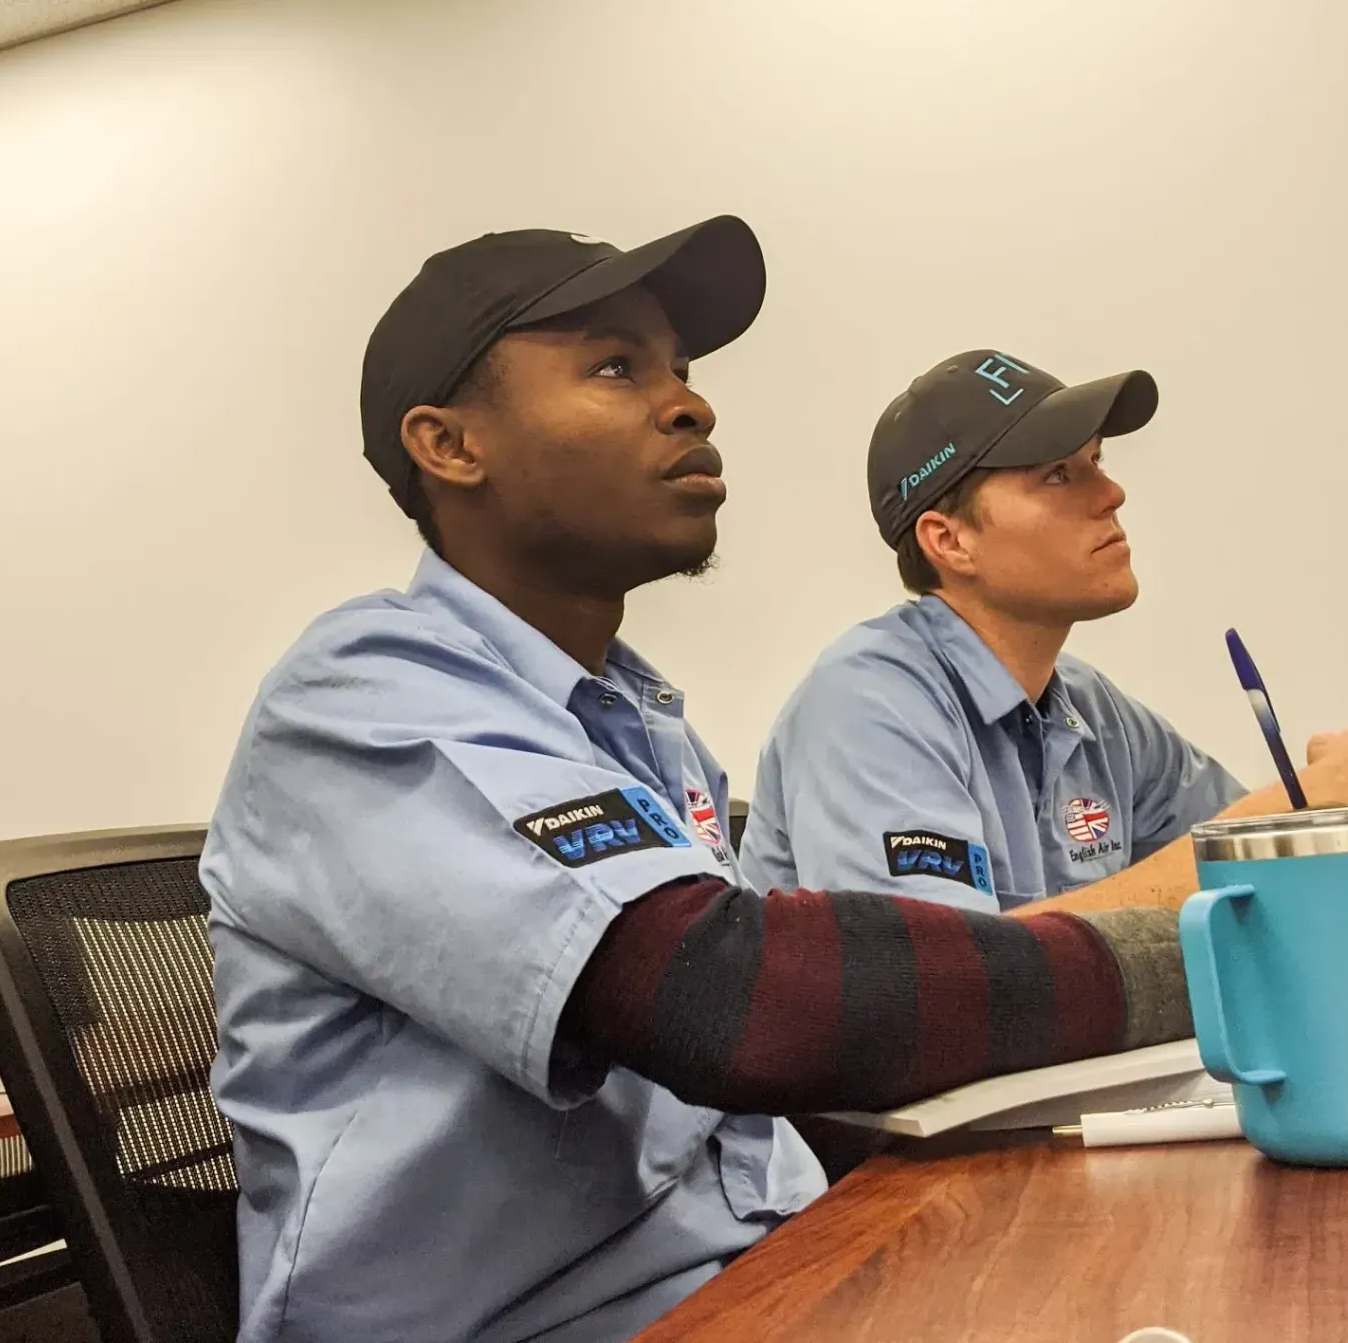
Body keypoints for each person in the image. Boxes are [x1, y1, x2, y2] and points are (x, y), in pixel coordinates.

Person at [202, 222, 1204, 1343]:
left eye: (682, 369)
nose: (692, 404)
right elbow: (731, 998)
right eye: (616, 365)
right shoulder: (362, 693)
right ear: (449, 443)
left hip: (770, 1267)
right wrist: (1210, 964)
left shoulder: (643, 720)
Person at [738, 350, 1348, 912]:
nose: (1113, 491)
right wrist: (1298, 811)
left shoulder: (1092, 710)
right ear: (950, 540)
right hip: (910, 1126)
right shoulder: (865, 705)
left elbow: (1249, 891)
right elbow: (941, 988)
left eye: (1096, 461)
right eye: (1057, 475)